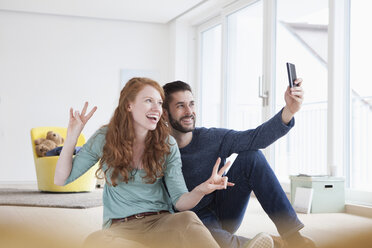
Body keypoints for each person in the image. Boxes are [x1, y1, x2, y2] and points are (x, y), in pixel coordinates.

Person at [53, 77, 273, 248]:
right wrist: (72, 135)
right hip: (120, 227)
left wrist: (201, 189)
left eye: (159, 102)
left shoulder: (166, 143)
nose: (157, 108)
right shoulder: (105, 137)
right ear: (129, 105)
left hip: (161, 222)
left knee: (187, 219)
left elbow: (180, 201)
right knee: (94, 241)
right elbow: (61, 179)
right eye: (149, 101)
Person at [162, 80, 317, 248]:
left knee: (252, 157)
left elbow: (255, 138)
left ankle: (292, 236)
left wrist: (289, 111)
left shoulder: (211, 138)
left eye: (191, 104)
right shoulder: (157, 151)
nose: (189, 111)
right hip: (190, 221)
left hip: (224, 211)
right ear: (165, 113)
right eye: (180, 106)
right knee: (206, 240)